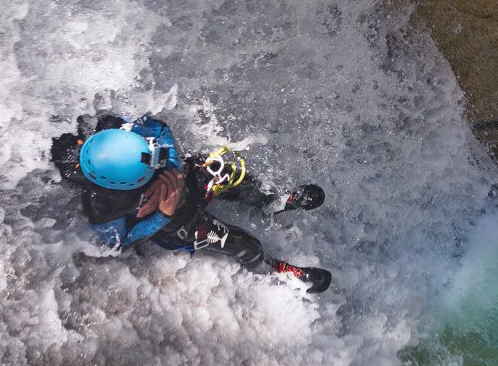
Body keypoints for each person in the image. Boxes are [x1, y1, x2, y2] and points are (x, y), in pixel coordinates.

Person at [50, 112, 331, 293]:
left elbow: (159, 129)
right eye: (149, 173)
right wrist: (162, 213)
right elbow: (118, 244)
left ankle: (271, 202)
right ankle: (280, 273)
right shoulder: (102, 206)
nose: (156, 167)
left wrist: (170, 167)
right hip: (176, 224)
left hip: (187, 181)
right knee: (243, 244)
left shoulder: (114, 130)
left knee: (231, 174)